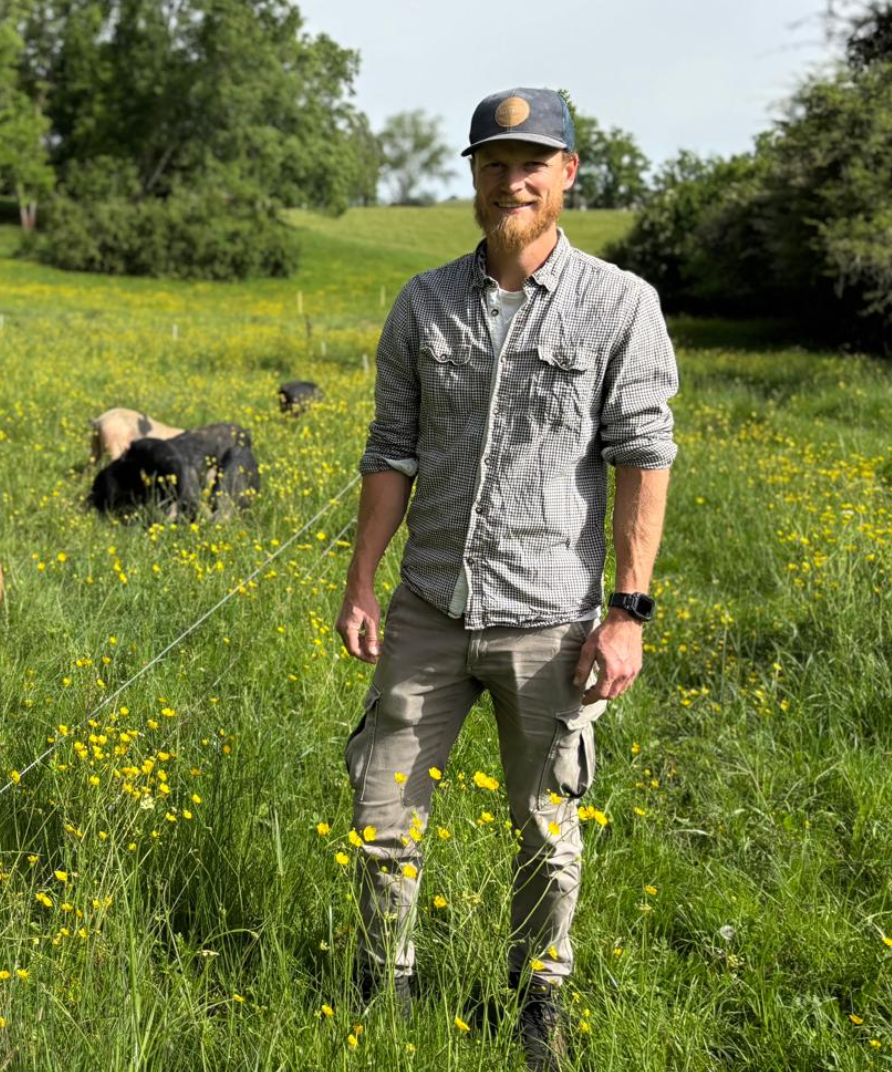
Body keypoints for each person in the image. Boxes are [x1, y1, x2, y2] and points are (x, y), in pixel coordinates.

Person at [335, 87, 678, 1071]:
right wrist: (362, 583)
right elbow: (389, 450)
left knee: (545, 827)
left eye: (532, 162)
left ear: (568, 173)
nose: (511, 179)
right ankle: (381, 985)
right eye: (494, 162)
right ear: (473, 176)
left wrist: (628, 612)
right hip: (428, 611)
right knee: (383, 807)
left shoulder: (620, 307)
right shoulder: (423, 302)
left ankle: (535, 1003)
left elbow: (641, 458)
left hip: (551, 623)